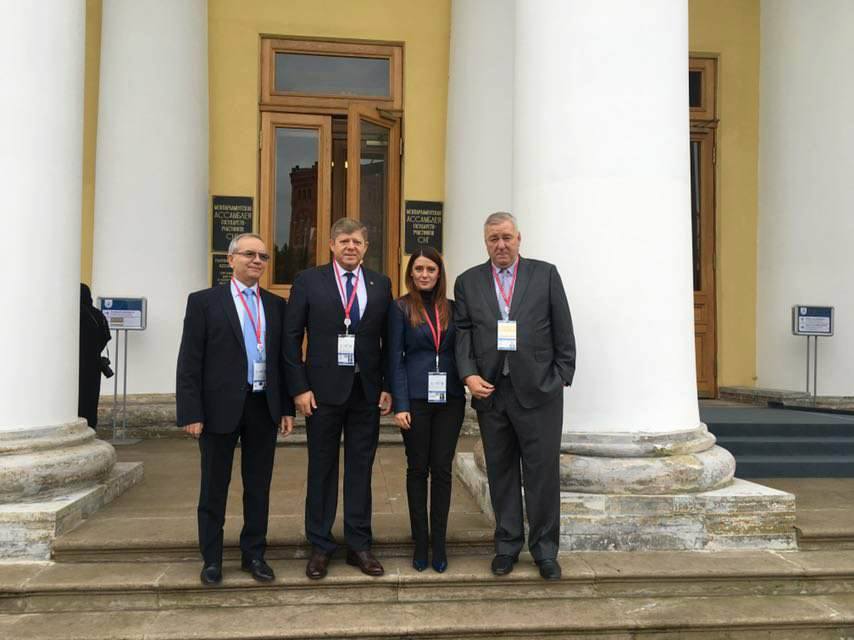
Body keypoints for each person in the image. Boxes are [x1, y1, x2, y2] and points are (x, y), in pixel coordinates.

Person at [453, 211, 576, 581]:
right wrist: (469, 374)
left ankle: (545, 551)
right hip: (492, 392)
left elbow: (563, 327)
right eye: (494, 239)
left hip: (540, 392)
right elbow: (463, 333)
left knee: (542, 474)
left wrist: (561, 375)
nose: (501, 245)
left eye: (507, 237)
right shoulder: (468, 282)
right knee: (501, 472)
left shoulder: (545, 275)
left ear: (519, 238)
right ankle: (506, 546)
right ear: (485, 242)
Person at [176, 233, 294, 586]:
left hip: (262, 406)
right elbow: (189, 360)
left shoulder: (276, 305)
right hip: (217, 409)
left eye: (263, 256)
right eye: (249, 254)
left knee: (258, 486)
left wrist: (286, 407)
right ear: (231, 260)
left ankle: (254, 554)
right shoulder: (204, 302)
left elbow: (283, 361)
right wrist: (191, 412)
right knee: (214, 486)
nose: (257, 261)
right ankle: (212, 559)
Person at [284, 217, 393, 580]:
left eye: (357, 241)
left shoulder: (380, 284)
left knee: (361, 469)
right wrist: (299, 388)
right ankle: (320, 545)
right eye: (344, 241)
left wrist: (388, 385)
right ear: (331, 244)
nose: (351, 246)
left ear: (366, 247)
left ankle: (359, 544)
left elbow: (390, 340)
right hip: (321, 393)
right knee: (322, 468)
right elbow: (291, 337)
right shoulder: (308, 281)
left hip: (366, 392)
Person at [387, 248, 466, 573]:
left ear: (439, 273)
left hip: (450, 400)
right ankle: (421, 542)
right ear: (411, 273)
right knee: (418, 469)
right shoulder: (401, 308)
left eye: (430, 269)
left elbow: (464, 349)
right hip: (416, 400)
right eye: (418, 269)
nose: (424, 274)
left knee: (443, 470)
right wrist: (400, 404)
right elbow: (395, 358)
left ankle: (439, 543)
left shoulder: (454, 308)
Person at [78, 283, 111, 428]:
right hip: (94, 364)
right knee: (91, 400)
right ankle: (90, 427)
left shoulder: (75, 313)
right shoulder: (98, 315)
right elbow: (106, 337)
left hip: (76, 365)